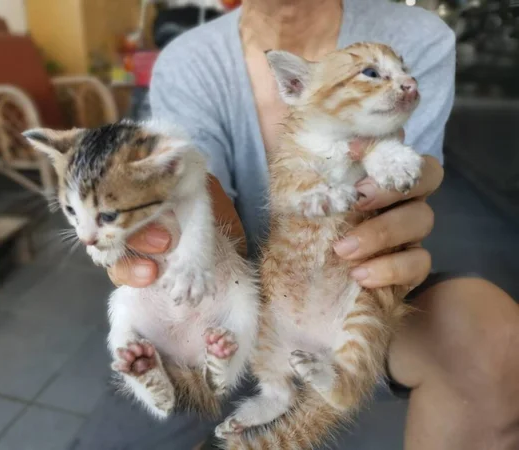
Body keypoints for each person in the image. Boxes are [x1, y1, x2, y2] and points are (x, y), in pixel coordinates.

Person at [107, 0, 519, 448]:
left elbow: (395, 181)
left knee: (492, 336)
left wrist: (395, 186)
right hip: (236, 292)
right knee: (142, 415)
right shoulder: (188, 61)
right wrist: (167, 223)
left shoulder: (418, 37)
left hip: (349, 283)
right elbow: (200, 196)